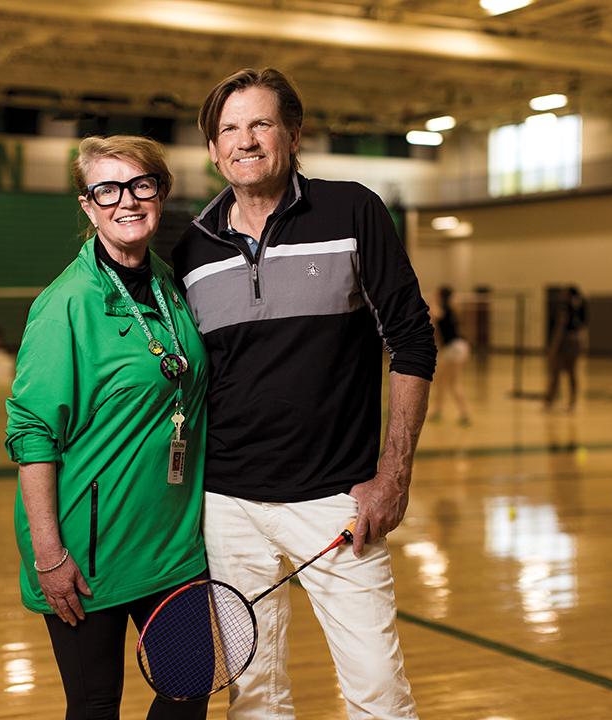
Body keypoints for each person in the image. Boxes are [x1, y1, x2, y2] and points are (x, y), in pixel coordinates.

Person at [172, 68, 436, 720]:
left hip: (337, 501)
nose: (246, 140)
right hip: (229, 507)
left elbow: (412, 341)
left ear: (293, 132)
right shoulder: (190, 250)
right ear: (212, 150)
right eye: (229, 129)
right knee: (253, 693)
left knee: (378, 691)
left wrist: (393, 475)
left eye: (260, 123)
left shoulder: (352, 211)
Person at [5, 135, 210, 720]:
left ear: (161, 194)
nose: (128, 200)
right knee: (96, 707)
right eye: (108, 189)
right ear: (88, 205)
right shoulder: (65, 303)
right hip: (86, 555)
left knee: (188, 695)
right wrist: (49, 554)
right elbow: (31, 433)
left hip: (175, 548)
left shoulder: (172, 286)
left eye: (142, 184)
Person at [429, 286, 471, 425]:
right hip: (452, 348)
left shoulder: (444, 309)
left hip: (455, 348)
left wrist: (431, 301)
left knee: (453, 384)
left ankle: (465, 414)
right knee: (440, 382)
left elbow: (433, 313)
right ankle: (438, 411)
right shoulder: (450, 309)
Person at [545, 285, 587, 410]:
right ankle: (571, 402)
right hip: (575, 340)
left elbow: (560, 327)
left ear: (569, 294)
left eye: (564, 292)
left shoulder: (563, 307)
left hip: (566, 341)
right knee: (571, 372)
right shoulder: (576, 307)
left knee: (556, 371)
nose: (561, 294)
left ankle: (550, 400)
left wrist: (554, 346)